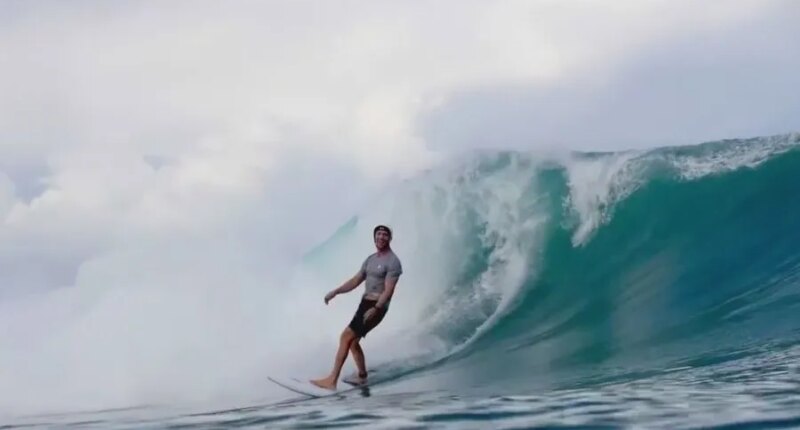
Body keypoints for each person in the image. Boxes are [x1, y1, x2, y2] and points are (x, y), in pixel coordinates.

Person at [309, 224, 403, 390]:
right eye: (378, 234)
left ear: (390, 238)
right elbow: (355, 280)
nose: (381, 237)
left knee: (345, 337)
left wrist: (377, 308)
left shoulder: (393, 262)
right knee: (352, 342)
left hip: (376, 306)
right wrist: (336, 291)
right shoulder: (370, 259)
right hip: (365, 303)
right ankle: (362, 376)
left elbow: (389, 290)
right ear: (374, 237)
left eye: (385, 235)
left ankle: (331, 381)